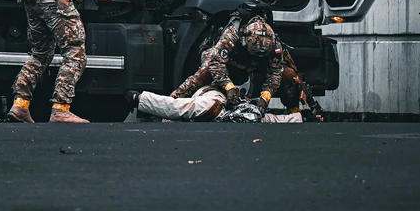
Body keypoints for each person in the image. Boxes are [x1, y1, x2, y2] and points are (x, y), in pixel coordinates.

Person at [171, 4, 283, 110]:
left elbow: (276, 72)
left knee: (289, 75)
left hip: (251, 67)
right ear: (244, 40)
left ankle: (295, 114)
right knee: (204, 70)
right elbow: (215, 61)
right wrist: (228, 87)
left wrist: (266, 96)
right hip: (224, 60)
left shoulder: (274, 43)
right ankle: (174, 101)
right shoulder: (233, 34)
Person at [126, 85, 304, 123]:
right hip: (215, 94)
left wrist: (299, 117)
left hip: (227, 100)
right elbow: (176, 106)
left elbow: (272, 120)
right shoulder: (211, 105)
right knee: (183, 110)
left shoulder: (252, 116)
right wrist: (139, 99)